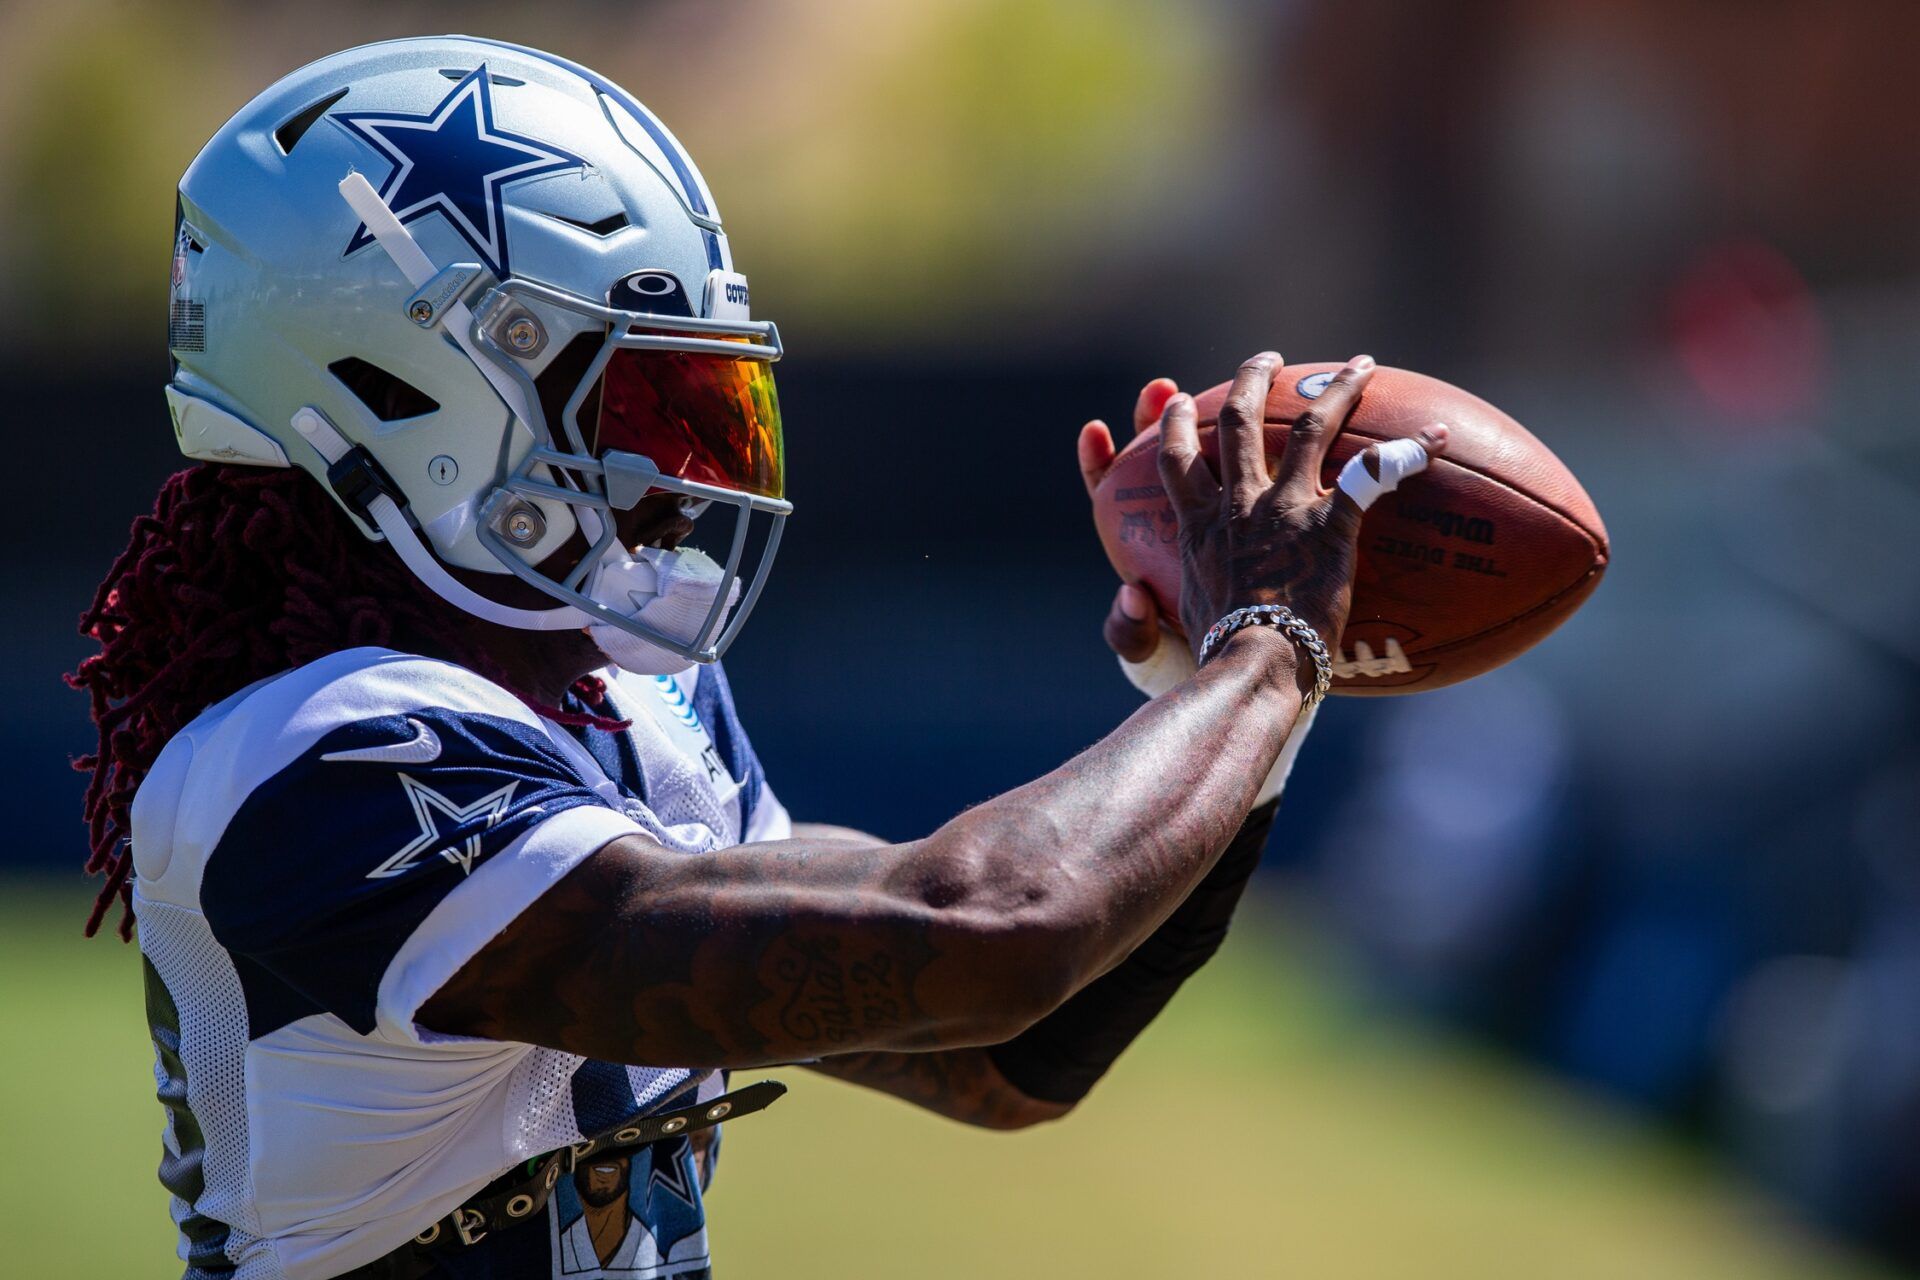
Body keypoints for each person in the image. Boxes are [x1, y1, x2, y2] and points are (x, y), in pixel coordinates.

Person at [70, 36, 1443, 1280]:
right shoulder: (327, 760)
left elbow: (1012, 1057)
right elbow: (987, 936)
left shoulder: (624, 702)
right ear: (403, 390)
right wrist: (1265, 647)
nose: (679, 467)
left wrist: (1235, 712)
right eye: (639, 399)